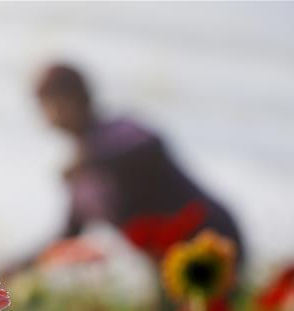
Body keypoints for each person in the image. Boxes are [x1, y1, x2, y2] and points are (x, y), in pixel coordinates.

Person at [25, 62, 244, 268]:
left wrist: (88, 159)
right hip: (169, 263)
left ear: (75, 97)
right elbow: (64, 237)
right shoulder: (81, 182)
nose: (47, 115)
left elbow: (148, 144)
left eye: (49, 102)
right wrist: (14, 268)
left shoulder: (119, 130)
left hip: (213, 237)